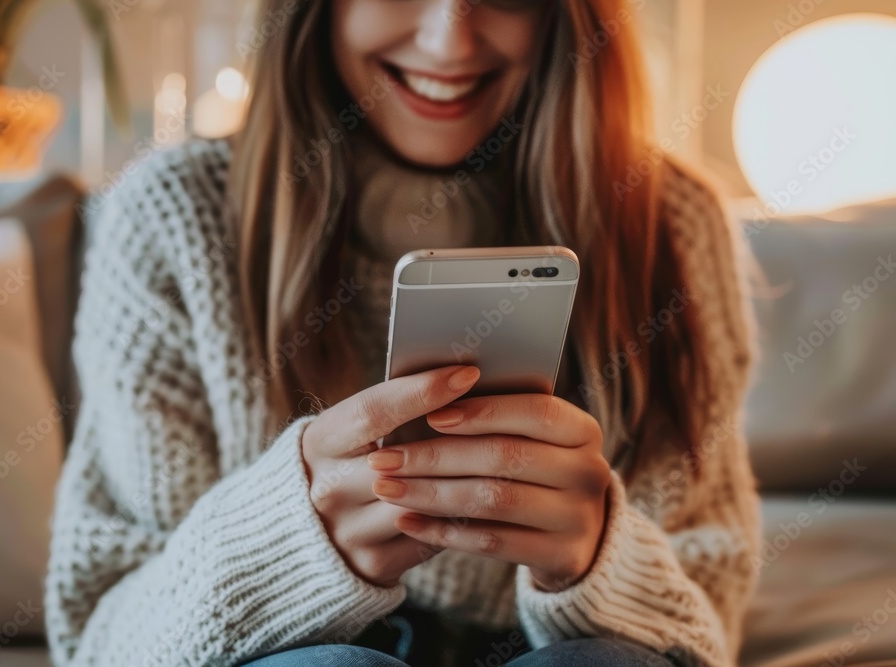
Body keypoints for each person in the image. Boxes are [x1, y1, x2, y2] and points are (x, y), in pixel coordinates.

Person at [45, 0, 761, 665]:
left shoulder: (671, 221)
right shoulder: (173, 216)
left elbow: (706, 620)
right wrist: (289, 545)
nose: (449, 38)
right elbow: (101, 639)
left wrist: (601, 558)